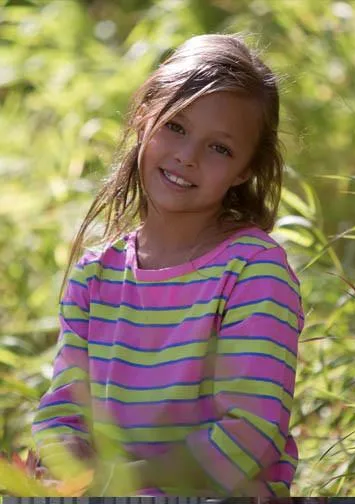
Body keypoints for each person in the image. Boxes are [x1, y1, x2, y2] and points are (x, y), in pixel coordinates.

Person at [32, 33, 304, 498]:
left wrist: (123, 480)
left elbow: (250, 434)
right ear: (144, 118)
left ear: (244, 170)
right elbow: (64, 411)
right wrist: (65, 456)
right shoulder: (95, 277)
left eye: (219, 148)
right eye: (175, 126)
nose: (187, 156)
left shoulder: (253, 273)